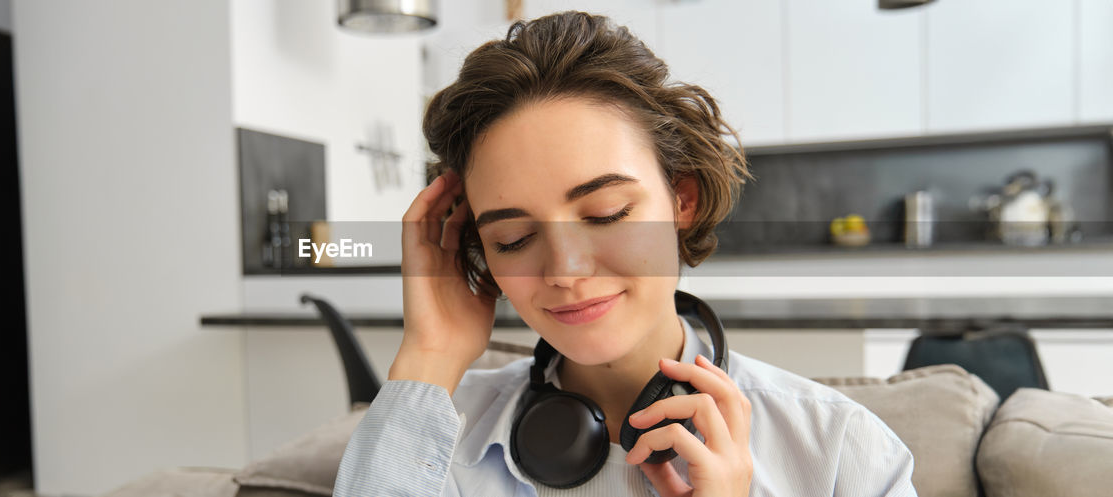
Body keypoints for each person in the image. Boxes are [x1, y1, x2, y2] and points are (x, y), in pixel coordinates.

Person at [333, 11, 917, 497]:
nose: (564, 270)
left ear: (681, 200)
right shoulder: (428, 438)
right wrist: (429, 357)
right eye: (512, 239)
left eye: (606, 213)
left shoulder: (842, 453)